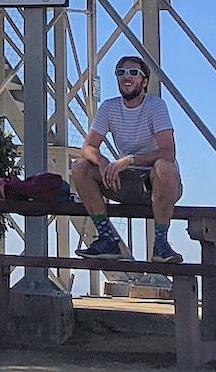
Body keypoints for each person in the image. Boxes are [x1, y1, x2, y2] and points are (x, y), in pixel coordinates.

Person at [73, 55, 183, 262]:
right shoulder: (108, 107)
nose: (126, 77)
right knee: (80, 167)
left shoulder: (155, 106)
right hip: (124, 180)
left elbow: (168, 152)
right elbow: (87, 147)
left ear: (144, 81)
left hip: (156, 182)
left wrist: (129, 160)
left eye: (134, 73)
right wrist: (103, 161)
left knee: (164, 167)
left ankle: (161, 243)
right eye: (120, 72)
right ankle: (106, 238)